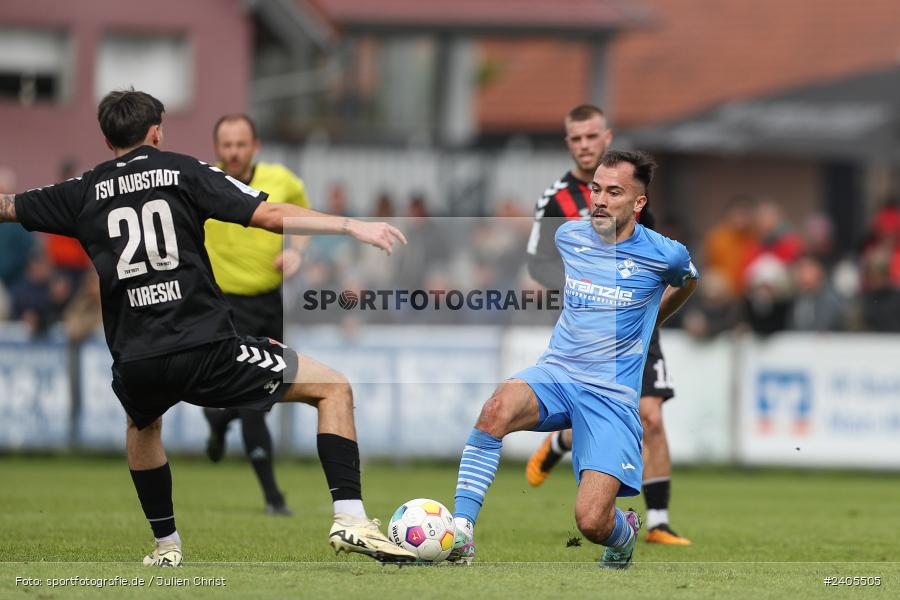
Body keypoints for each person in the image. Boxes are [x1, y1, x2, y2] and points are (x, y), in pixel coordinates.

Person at [0, 89, 414, 566]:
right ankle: (351, 521)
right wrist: (350, 226)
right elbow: (270, 215)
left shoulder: (82, 190)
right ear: (156, 130)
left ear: (105, 136)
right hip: (204, 345)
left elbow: (10, 206)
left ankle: (166, 547)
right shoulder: (183, 171)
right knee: (333, 389)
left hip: (137, 359)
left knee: (142, 425)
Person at [450, 151, 699, 568]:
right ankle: (460, 534)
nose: (600, 199)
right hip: (558, 372)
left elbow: (689, 279)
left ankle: (624, 535)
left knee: (591, 523)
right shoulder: (569, 236)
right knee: (495, 410)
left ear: (638, 203)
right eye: (596, 189)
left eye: (614, 192)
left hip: (611, 395)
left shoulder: (665, 254)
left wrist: (655, 317)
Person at [524, 104, 693, 545]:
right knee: (597, 400)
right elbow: (537, 263)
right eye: (575, 139)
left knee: (651, 414)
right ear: (569, 145)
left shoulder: (630, 183)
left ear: (606, 139)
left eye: (591, 137)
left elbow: (669, 261)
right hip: (589, 319)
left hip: (637, 316)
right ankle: (564, 441)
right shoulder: (556, 201)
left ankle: (656, 521)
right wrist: (587, 286)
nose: (584, 146)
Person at [201, 114, 310, 516]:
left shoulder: (282, 180)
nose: (233, 152)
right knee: (253, 396)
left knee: (267, 392)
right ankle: (273, 499)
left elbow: (302, 216)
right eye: (226, 145)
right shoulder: (203, 181)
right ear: (217, 149)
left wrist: (297, 249)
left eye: (240, 144)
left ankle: (217, 418)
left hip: (269, 301)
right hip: (222, 305)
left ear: (255, 146)